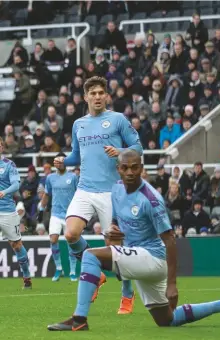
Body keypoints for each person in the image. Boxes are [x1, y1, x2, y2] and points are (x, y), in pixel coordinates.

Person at [47, 149, 220, 331]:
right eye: (125, 167)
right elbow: (117, 224)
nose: (130, 172)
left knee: (90, 256)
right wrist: (114, 233)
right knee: (167, 319)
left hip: (154, 258)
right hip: (140, 258)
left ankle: (79, 320)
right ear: (118, 169)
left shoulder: (151, 199)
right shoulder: (116, 190)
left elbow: (170, 240)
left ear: (141, 168)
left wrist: (172, 284)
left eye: (134, 167)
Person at [54, 76, 143, 315]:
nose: (97, 97)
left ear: (106, 96)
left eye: (100, 93)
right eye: (92, 93)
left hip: (112, 192)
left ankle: (127, 293)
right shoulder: (79, 124)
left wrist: (121, 151)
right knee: (70, 233)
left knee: (115, 249)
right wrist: (63, 160)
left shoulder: (117, 120)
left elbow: (138, 148)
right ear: (85, 97)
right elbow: (77, 156)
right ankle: (97, 273)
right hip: (85, 188)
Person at [38, 153, 79, 282]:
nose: (60, 163)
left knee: (71, 242)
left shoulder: (73, 177)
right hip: (55, 213)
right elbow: (47, 194)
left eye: (62, 161)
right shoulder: (50, 178)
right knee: (53, 239)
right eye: (58, 161)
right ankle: (59, 268)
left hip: (70, 214)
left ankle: (72, 271)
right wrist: (41, 208)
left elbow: (79, 195)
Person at [0, 137, 32, 289]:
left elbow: (15, 184)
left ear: (2, 148)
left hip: (7, 211)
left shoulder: (8, 165)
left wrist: (3, 192)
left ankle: (26, 276)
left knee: (17, 245)